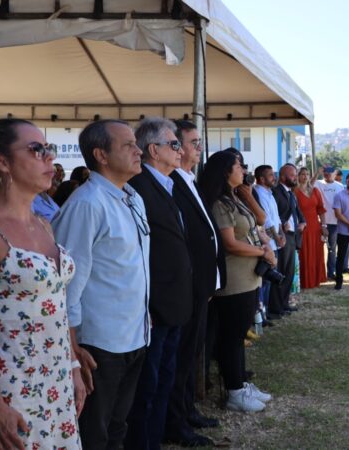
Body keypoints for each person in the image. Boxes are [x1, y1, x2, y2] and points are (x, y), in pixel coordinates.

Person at [0, 117, 82, 448]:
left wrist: (72, 364)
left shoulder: (43, 225)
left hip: (54, 381)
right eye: (36, 150)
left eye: (49, 149)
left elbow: (57, 299)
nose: (50, 158)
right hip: (9, 391)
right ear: (2, 161)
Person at [53, 119, 151, 449]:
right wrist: (73, 345)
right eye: (127, 145)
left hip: (133, 334)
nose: (139, 150)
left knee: (116, 427)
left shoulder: (131, 198)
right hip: (100, 345)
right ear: (101, 155)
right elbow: (68, 282)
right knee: (94, 433)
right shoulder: (86, 204)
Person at [124, 117, 193, 449]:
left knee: (164, 382)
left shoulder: (167, 184)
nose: (180, 150)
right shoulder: (138, 187)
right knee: (147, 390)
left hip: (172, 305)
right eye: (174, 144)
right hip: (153, 309)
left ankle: (157, 439)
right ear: (154, 149)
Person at [164, 120, 226, 446]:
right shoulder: (171, 182)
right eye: (192, 142)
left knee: (191, 358)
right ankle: (176, 423)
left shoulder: (190, 179)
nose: (198, 148)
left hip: (201, 288)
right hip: (186, 289)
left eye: (199, 142)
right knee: (181, 359)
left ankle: (187, 411)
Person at [199, 149, 275, 413]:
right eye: (239, 166)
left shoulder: (236, 197)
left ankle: (241, 383)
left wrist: (263, 245)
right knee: (230, 337)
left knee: (239, 333)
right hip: (234, 281)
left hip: (249, 277)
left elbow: (257, 223)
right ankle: (233, 391)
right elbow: (230, 243)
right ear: (224, 172)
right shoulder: (219, 203)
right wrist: (263, 252)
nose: (243, 170)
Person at [271, 164, 306, 313]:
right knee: (282, 272)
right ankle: (276, 307)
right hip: (282, 237)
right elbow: (272, 215)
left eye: (296, 174)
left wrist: (303, 221)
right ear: (283, 177)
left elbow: (297, 211)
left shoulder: (291, 193)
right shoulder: (276, 192)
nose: (295, 177)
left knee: (289, 272)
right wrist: (281, 225)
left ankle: (284, 303)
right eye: (292, 175)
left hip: (293, 236)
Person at [254, 164, 284, 322]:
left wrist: (281, 234)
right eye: (271, 175)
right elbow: (266, 220)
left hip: (275, 243)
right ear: (261, 179)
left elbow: (277, 218)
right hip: (267, 244)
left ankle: (265, 314)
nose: (274, 177)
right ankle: (261, 316)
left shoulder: (270, 193)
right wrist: (277, 236)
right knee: (264, 282)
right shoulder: (258, 193)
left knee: (270, 281)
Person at [295, 167, 327, 289]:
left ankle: (316, 279)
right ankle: (304, 281)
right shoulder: (295, 191)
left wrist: (323, 225)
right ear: (298, 176)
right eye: (302, 174)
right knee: (304, 254)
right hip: (302, 227)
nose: (305, 176)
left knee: (316, 253)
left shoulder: (315, 191)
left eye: (307, 174)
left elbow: (321, 209)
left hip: (315, 227)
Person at [314, 166, 343, 280]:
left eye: (330, 173)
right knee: (318, 249)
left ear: (334, 173)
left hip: (335, 222)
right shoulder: (318, 183)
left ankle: (331, 273)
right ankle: (318, 273)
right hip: (320, 222)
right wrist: (317, 172)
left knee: (332, 249)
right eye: (325, 172)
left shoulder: (340, 186)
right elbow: (309, 185)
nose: (327, 174)